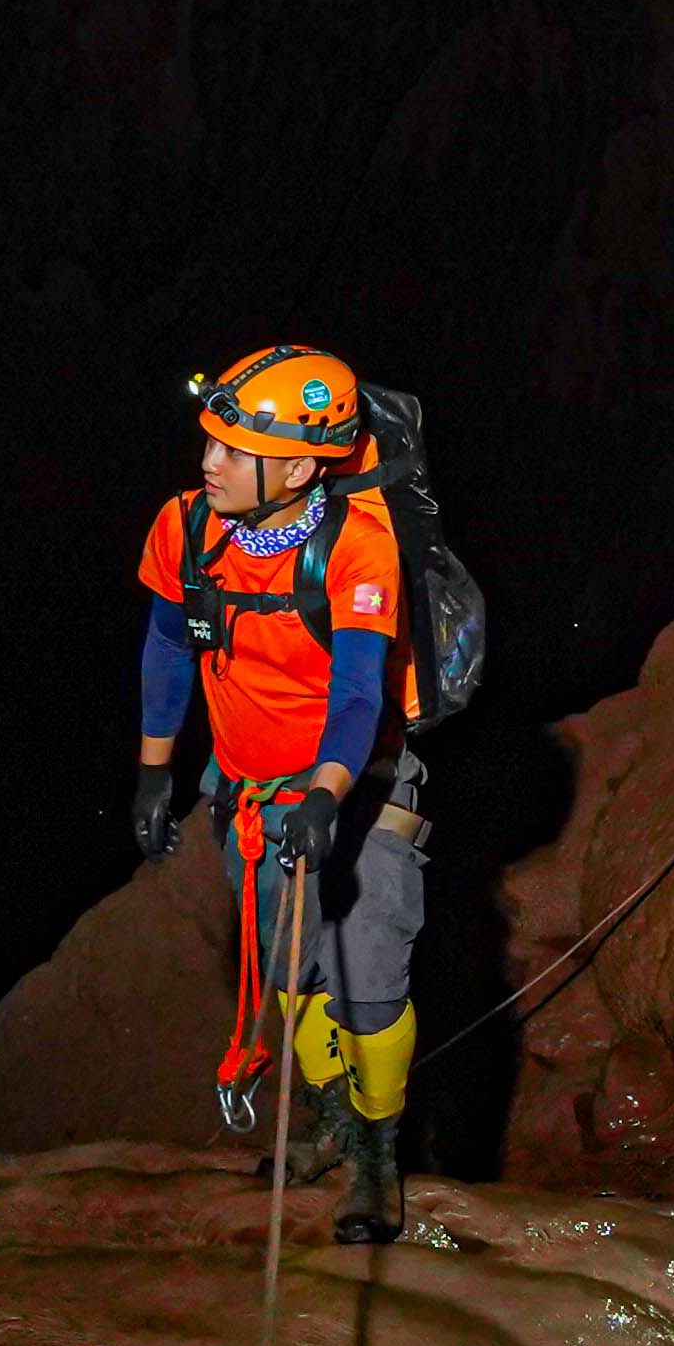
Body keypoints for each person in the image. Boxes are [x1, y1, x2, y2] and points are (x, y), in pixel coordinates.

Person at [131, 344, 427, 1243]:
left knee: (367, 981)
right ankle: (334, 1120)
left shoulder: (357, 546)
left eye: (231, 448)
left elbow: (362, 692)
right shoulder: (185, 529)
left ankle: (377, 1153)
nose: (208, 462)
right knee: (292, 975)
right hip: (251, 791)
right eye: (207, 442)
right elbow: (168, 647)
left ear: (300, 466)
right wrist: (155, 770)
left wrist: (330, 793)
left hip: (357, 786)